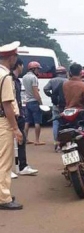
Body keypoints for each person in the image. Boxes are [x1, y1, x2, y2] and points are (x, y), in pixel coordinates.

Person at [0, 41, 24, 210]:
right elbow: (7, 105)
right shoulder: (5, 77)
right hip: (3, 122)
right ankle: (4, 198)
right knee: (4, 162)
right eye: (15, 56)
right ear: (11, 58)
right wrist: (15, 128)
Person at [12, 58, 38, 176]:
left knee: (20, 141)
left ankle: (22, 166)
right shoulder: (9, 79)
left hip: (20, 110)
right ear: (19, 65)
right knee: (7, 144)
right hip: (12, 114)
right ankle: (6, 170)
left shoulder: (18, 80)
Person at [43, 66, 68, 151]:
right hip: (65, 105)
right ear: (64, 73)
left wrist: (51, 96)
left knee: (55, 123)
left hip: (55, 104)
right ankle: (64, 142)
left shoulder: (52, 80)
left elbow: (45, 89)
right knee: (65, 124)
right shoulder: (67, 81)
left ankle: (56, 141)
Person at [22, 61, 44, 145]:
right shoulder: (33, 78)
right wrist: (40, 102)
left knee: (27, 122)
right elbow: (35, 92)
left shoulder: (24, 77)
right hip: (34, 102)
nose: (38, 70)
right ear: (33, 69)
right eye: (38, 69)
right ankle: (37, 140)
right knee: (37, 122)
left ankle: (25, 139)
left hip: (27, 102)